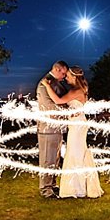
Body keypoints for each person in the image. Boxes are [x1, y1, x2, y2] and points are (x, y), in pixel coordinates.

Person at [40, 65, 104, 199]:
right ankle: (78, 186)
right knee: (77, 152)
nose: (65, 77)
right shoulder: (80, 90)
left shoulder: (76, 91)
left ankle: (75, 188)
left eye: (68, 75)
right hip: (77, 123)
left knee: (74, 153)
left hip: (77, 126)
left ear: (74, 77)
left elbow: (58, 100)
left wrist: (46, 85)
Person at [36, 61, 69, 199]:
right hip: (48, 128)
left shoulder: (54, 83)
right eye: (63, 72)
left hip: (57, 127)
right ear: (56, 69)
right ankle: (45, 189)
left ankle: (52, 184)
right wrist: (69, 110)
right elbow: (49, 106)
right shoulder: (45, 84)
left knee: (54, 159)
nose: (64, 76)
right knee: (47, 159)